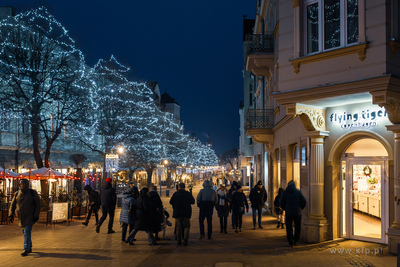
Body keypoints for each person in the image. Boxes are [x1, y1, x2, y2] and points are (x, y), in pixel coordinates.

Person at [8, 179, 41, 256]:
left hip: (29, 216)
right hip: (21, 218)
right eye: (21, 184)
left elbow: (37, 205)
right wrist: (11, 214)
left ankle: (25, 248)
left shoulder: (32, 193)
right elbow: (13, 204)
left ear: (27, 185)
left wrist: (36, 215)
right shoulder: (17, 194)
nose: (22, 186)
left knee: (26, 232)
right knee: (25, 232)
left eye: (24, 184)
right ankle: (29, 246)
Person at [280, 180, 306, 247]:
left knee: (289, 227)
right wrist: (300, 208)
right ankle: (296, 240)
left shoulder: (285, 193)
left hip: (288, 213)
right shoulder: (298, 192)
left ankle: (291, 241)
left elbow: (281, 202)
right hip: (297, 213)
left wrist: (285, 208)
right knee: (297, 227)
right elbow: (304, 201)